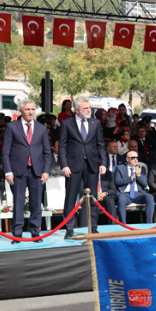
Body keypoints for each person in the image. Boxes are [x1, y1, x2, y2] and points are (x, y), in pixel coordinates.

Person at [2, 98, 51, 243]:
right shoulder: (11, 127)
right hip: (18, 171)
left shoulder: (41, 128)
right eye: (28, 109)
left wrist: (46, 171)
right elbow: (5, 152)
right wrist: (8, 171)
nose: (31, 112)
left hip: (37, 170)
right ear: (20, 111)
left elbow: (47, 152)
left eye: (33, 109)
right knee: (18, 203)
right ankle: (17, 234)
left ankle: (36, 233)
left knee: (36, 203)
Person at [58, 95, 106, 238]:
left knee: (93, 197)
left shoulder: (95, 123)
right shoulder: (67, 123)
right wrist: (64, 165)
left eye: (89, 107)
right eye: (85, 108)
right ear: (77, 110)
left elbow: (101, 144)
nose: (89, 110)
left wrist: (103, 163)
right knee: (71, 197)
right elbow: (62, 146)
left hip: (92, 164)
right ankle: (69, 229)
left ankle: (93, 228)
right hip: (73, 165)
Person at [114, 150, 155, 223]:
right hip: (124, 194)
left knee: (150, 197)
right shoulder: (120, 168)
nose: (136, 160)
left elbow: (145, 185)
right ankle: (123, 225)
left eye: (137, 158)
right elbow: (118, 182)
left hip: (138, 193)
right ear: (127, 159)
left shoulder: (141, 168)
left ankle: (149, 224)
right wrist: (131, 178)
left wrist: (138, 176)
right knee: (121, 200)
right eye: (133, 158)